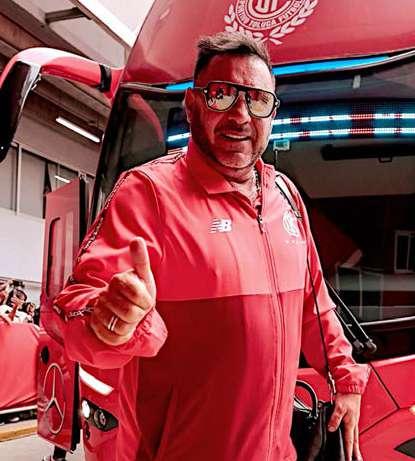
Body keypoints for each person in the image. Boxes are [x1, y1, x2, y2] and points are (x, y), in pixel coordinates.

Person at [55, 32, 369, 461]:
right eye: (221, 95)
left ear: (272, 114)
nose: (240, 115)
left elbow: (314, 301)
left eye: (257, 100)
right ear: (192, 105)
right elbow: (75, 305)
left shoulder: (285, 195)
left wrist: (345, 379)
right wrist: (109, 319)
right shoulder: (148, 193)